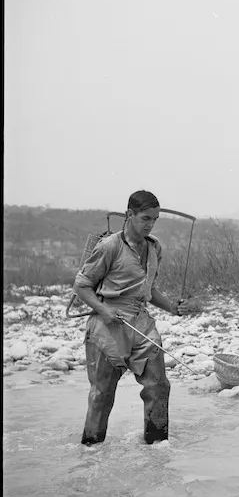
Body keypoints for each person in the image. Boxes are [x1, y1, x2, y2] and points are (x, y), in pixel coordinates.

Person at [73, 190, 195, 446]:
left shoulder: (154, 247)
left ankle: (157, 446)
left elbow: (148, 291)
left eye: (154, 219)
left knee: (159, 386)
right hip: (107, 324)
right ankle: (91, 451)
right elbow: (82, 285)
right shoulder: (110, 246)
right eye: (145, 218)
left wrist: (173, 307)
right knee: (102, 394)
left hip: (140, 321)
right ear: (129, 215)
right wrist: (104, 311)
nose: (150, 225)